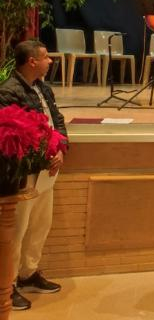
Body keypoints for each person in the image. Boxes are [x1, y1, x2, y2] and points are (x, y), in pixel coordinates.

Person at [0, 40, 67, 311]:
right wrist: (45, 154)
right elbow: (14, 136)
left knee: (41, 225)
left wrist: (61, 147)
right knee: (17, 229)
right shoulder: (9, 91)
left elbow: (57, 120)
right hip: (24, 174)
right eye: (46, 57)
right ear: (31, 62)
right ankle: (9, 282)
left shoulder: (43, 87)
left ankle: (29, 273)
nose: (50, 61)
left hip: (47, 171)